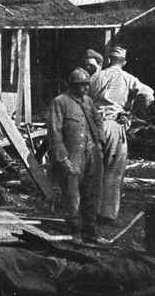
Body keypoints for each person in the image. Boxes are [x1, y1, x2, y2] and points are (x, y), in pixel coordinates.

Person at [90, 46, 154, 224]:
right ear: (123, 63)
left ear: (108, 60)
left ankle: (89, 210)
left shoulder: (95, 77)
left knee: (93, 169)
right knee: (113, 169)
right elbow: (149, 96)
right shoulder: (128, 78)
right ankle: (107, 214)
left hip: (93, 125)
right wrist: (132, 114)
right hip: (114, 124)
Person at [47, 68, 105, 243]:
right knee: (72, 196)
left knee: (93, 193)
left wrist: (100, 141)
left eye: (87, 85)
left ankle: (91, 231)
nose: (86, 89)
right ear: (73, 85)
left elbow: (98, 120)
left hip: (92, 154)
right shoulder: (60, 102)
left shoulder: (88, 101)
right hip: (72, 156)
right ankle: (75, 231)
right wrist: (62, 159)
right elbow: (54, 133)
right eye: (82, 86)